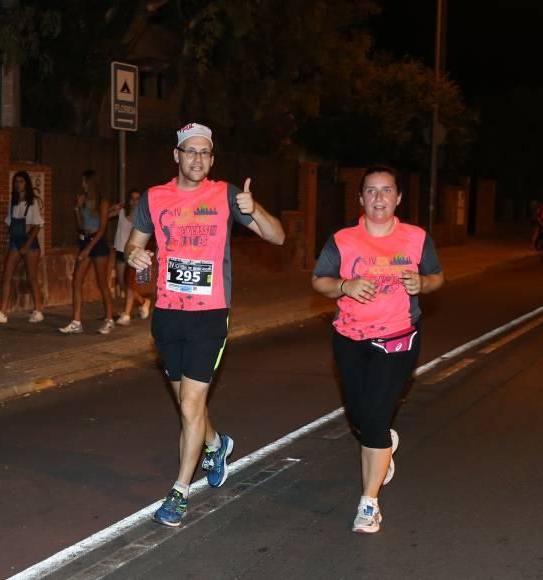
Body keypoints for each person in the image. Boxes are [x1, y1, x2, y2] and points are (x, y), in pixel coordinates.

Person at [126, 122, 285, 527]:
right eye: (190, 151)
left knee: (191, 405)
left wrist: (256, 209)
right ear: (176, 155)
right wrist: (133, 256)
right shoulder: (154, 198)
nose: (197, 158)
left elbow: (278, 237)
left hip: (209, 316)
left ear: (212, 159)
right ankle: (216, 444)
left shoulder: (226, 195)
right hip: (167, 314)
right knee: (187, 405)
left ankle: (180, 491)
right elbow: (134, 244)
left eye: (205, 153)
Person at [311, 164, 444, 534]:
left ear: (398, 197)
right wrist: (344, 286)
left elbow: (437, 277)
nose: (379, 198)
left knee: (374, 419)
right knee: (360, 414)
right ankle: (384, 440)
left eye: (386, 190)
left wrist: (422, 283)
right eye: (371, 191)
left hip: (398, 337)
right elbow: (319, 280)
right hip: (349, 338)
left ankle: (369, 503)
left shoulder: (416, 238)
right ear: (360, 198)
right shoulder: (343, 239)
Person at [59, 169, 115, 335]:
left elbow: (103, 228)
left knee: (102, 282)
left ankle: (109, 319)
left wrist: (88, 249)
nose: (82, 184)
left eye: (84, 181)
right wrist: (77, 208)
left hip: (97, 243)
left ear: (90, 183)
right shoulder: (84, 201)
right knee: (76, 280)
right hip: (85, 239)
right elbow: (80, 226)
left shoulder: (102, 203)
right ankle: (76, 322)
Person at [0, 171, 45, 324]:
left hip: (29, 243)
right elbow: (10, 223)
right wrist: (9, 240)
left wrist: (26, 245)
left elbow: (37, 226)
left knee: (32, 277)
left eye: (21, 181)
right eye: (16, 181)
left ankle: (38, 310)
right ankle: (3, 313)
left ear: (26, 184)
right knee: (6, 275)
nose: (18, 184)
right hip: (14, 242)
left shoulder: (33, 202)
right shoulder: (12, 202)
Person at [111, 188, 151, 326]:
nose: (134, 201)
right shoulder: (122, 213)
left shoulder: (142, 217)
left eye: (137, 199)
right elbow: (105, 216)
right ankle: (143, 301)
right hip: (120, 251)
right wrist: (113, 208)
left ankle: (126, 314)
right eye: (132, 198)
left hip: (133, 253)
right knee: (122, 283)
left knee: (129, 284)